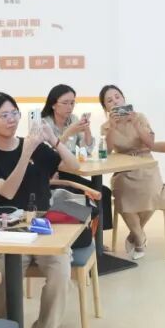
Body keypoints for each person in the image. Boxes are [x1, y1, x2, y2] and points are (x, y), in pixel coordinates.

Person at [0, 92, 94, 328]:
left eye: (14, 113)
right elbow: (7, 191)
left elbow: (74, 166)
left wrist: (53, 139)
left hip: (44, 225)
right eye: (3, 115)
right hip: (9, 228)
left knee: (61, 276)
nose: (11, 120)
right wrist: (25, 153)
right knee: (4, 284)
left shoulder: (34, 146)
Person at [99, 85, 165, 259]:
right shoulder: (106, 126)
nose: (115, 101)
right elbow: (107, 152)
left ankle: (134, 234)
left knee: (152, 193)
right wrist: (113, 128)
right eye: (109, 100)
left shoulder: (139, 117)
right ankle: (139, 237)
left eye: (117, 97)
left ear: (124, 98)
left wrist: (136, 125)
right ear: (106, 108)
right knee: (121, 197)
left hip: (146, 164)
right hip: (123, 168)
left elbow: (150, 144)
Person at [42, 83, 113, 231]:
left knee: (104, 192)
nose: (70, 107)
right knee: (86, 196)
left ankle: (97, 235)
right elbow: (47, 155)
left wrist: (86, 130)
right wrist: (68, 132)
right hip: (52, 175)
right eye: (65, 103)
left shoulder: (73, 119)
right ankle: (83, 232)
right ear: (53, 104)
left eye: (72, 103)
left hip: (71, 171)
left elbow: (86, 150)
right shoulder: (44, 124)